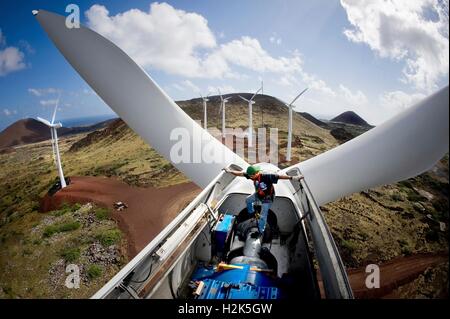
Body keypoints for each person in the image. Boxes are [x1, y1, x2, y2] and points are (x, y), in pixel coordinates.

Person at [223, 165, 304, 235]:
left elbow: (279, 176)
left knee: (263, 215)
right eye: (250, 176)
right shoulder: (251, 175)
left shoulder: (266, 176)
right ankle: (252, 213)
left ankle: (261, 232)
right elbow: (240, 174)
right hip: (259, 195)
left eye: (252, 176)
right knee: (248, 200)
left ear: (257, 173)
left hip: (268, 198)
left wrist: (293, 178)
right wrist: (229, 171)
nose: (251, 178)